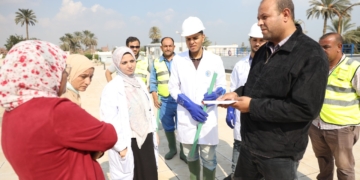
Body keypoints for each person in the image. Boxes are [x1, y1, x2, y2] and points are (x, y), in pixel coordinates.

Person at [219, 0, 329, 179]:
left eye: (264, 17)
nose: (259, 23)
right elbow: (255, 86)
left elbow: (305, 109)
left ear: (285, 15)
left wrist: (252, 106)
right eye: (258, 18)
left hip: (280, 154)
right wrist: (237, 93)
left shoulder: (311, 54)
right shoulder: (264, 50)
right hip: (250, 145)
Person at [0, 40, 117, 180]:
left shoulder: (10, 113)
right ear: (47, 71)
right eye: (62, 70)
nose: (65, 76)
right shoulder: (55, 110)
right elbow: (108, 136)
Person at [168, 16, 226, 180]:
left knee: (208, 158)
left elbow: (222, 85)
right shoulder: (178, 60)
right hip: (187, 116)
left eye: (195, 38)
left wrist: (217, 93)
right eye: (188, 39)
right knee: (190, 155)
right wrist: (188, 104)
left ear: (203, 37)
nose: (192, 42)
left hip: (207, 119)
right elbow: (173, 87)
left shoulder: (215, 60)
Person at [100, 46, 159, 180]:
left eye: (132, 61)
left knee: (150, 174)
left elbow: (148, 111)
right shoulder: (112, 88)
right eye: (124, 62)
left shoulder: (139, 83)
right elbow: (109, 120)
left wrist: (154, 132)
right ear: (116, 64)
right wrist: (120, 147)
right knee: (135, 175)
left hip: (147, 137)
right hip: (128, 140)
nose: (130, 65)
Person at [308, 32, 360, 180]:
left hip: (341, 128)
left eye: (326, 47)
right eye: (320, 47)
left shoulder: (354, 67)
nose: (322, 50)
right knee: (323, 163)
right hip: (316, 125)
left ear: (339, 47)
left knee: (344, 168)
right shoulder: (316, 67)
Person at [223, 23, 266, 180]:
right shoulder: (240, 66)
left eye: (261, 40)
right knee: (238, 152)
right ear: (250, 41)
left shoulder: (271, 65)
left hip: (262, 122)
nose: (257, 44)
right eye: (254, 40)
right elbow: (234, 89)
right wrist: (229, 110)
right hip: (242, 121)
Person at [149, 37, 187, 162]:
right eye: (165, 46)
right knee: (168, 126)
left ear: (174, 47)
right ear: (161, 48)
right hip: (164, 101)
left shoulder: (181, 61)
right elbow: (153, 82)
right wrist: (155, 97)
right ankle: (173, 149)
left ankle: (183, 152)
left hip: (179, 100)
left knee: (181, 126)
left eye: (170, 46)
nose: (168, 48)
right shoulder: (156, 62)